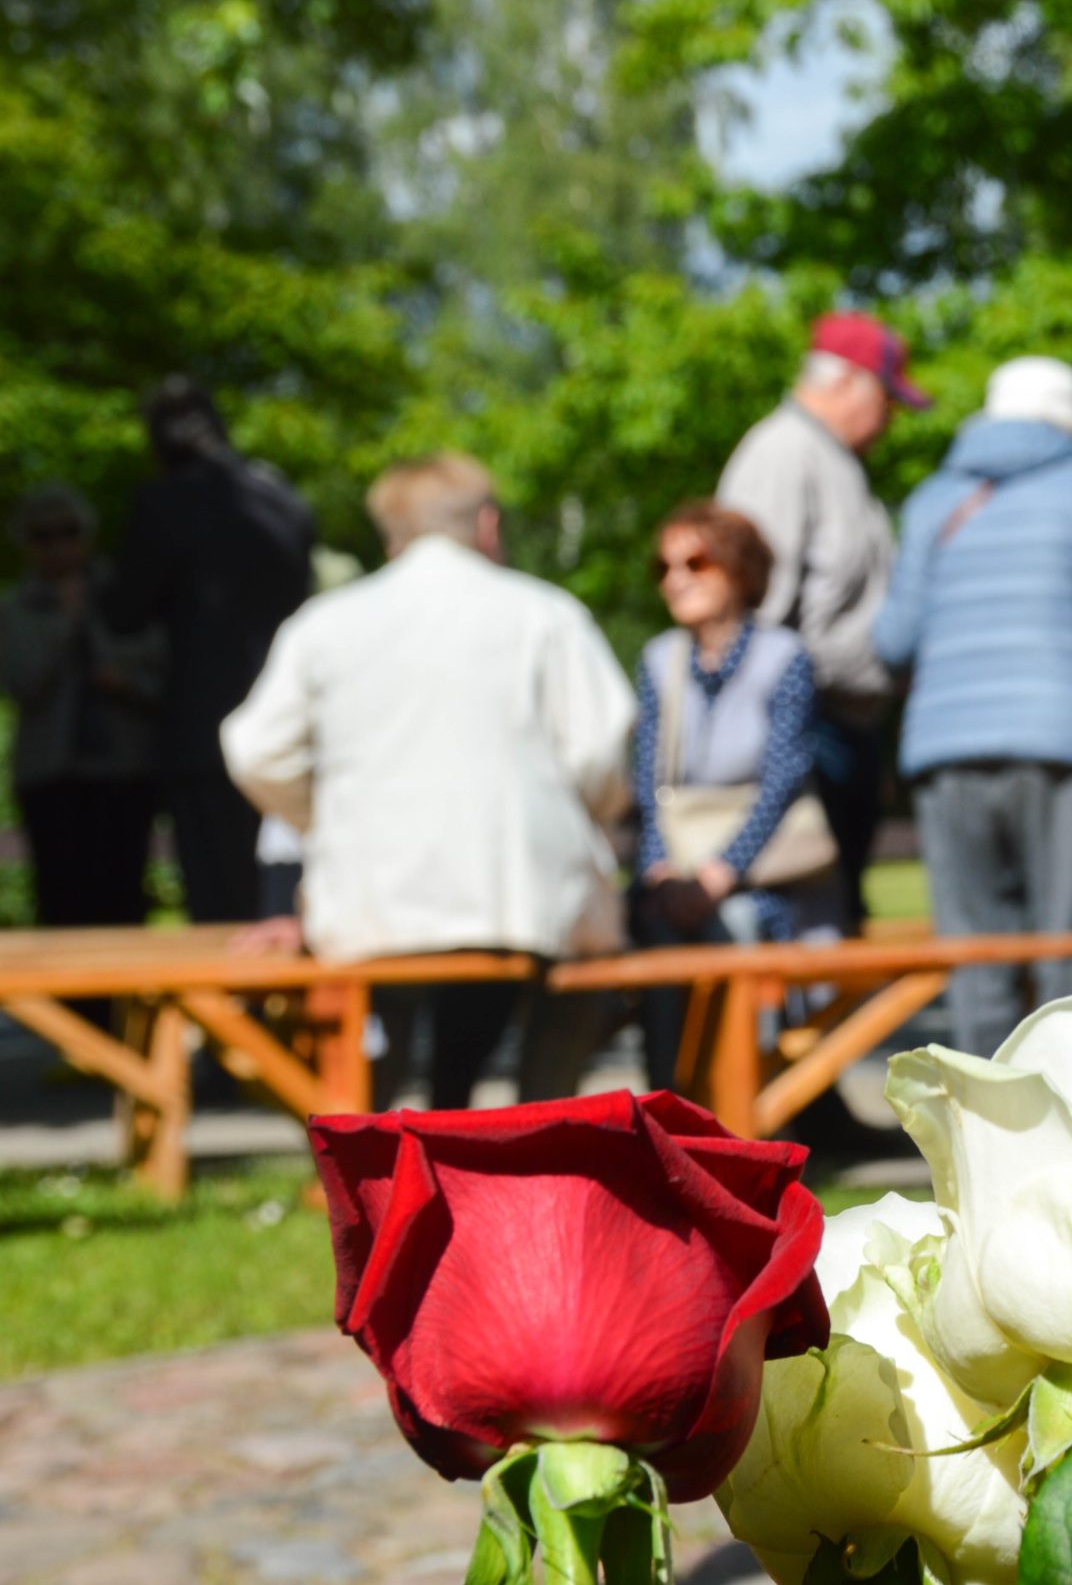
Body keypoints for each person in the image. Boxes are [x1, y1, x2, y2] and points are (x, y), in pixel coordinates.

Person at [221, 454, 635, 1110]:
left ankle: (369, 1144)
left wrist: (325, 820)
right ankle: (539, 1130)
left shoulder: (326, 623)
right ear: (488, 523)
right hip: (521, 900)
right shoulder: (544, 613)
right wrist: (580, 815)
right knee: (581, 976)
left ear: (391, 534)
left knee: (385, 999)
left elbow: (255, 748)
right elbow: (600, 747)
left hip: (371, 903)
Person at [874, 358, 1072, 1053]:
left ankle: (982, 1120)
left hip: (946, 749)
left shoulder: (932, 499)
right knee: (1070, 963)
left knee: (976, 964)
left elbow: (893, 639)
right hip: (1064, 739)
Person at [717, 312, 926, 930]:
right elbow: (749, 603)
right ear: (847, 383)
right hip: (808, 726)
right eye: (887, 400)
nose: (890, 419)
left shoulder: (833, 458)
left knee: (837, 917)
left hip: (846, 722)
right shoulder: (782, 453)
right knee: (807, 922)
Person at [630, 503, 837, 1087]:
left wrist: (721, 874)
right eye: (664, 567)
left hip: (767, 875)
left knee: (739, 924)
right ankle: (668, 1107)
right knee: (653, 934)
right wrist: (661, 873)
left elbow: (783, 778)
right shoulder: (659, 660)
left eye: (695, 562)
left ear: (739, 569)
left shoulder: (784, 656)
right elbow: (648, 782)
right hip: (677, 871)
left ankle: (748, 1108)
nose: (676, 579)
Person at [102, 377, 312, 922]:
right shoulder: (280, 498)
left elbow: (123, 614)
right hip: (286, 722)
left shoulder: (164, 503)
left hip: (203, 732)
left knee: (220, 906)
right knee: (285, 895)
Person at [3, 485, 164, 933]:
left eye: (68, 531)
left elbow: (163, 679)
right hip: (50, 775)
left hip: (123, 771)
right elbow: (22, 684)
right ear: (27, 544)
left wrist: (125, 682)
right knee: (61, 902)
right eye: (42, 535)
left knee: (124, 899)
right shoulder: (16, 610)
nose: (58, 545)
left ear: (87, 535)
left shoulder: (126, 597)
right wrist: (68, 624)